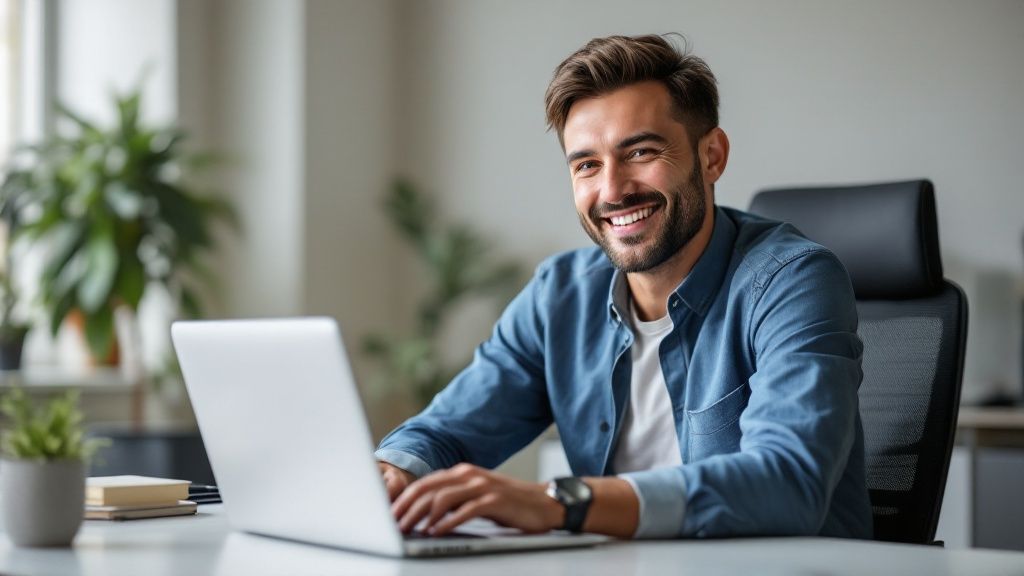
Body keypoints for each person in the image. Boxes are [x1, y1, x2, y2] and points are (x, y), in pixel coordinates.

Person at [375, 33, 872, 540]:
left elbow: (789, 481)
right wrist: (392, 473)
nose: (612, 190)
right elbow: (446, 430)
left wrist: (559, 501)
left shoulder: (791, 281)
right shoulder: (560, 296)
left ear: (712, 156)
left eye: (640, 152)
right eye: (587, 165)